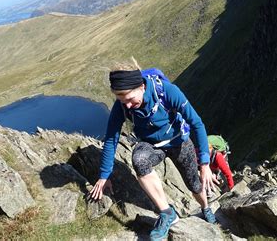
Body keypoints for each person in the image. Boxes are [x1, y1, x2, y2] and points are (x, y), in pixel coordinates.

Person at [89, 58, 217, 241]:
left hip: (178, 141)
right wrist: (104, 175)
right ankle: (166, 213)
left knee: (194, 185)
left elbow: (196, 123)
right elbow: (111, 138)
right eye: (121, 100)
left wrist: (204, 163)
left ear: (141, 86)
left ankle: (205, 208)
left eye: (130, 100)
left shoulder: (167, 92)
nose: (127, 106)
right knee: (139, 159)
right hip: (151, 145)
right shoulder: (122, 106)